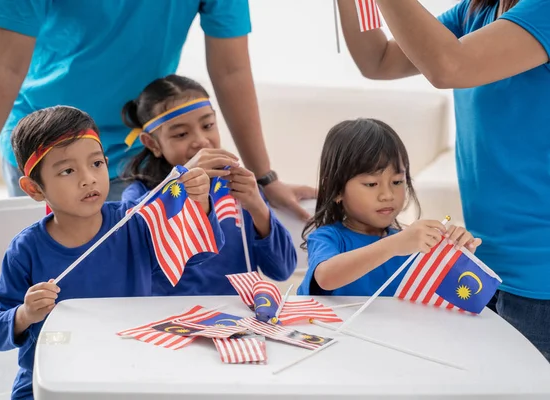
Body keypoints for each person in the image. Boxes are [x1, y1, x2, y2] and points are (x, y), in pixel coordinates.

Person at [0, 0, 315, 219]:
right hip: (45, 145)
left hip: (138, 150)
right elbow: (4, 71)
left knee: (132, 286)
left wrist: (264, 178)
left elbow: (231, 71)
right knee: (50, 282)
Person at [336, 0, 550, 361]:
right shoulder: (476, 11)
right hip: (487, 267)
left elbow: (449, 65)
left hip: (539, 281)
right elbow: (378, 60)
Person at [0, 106, 224, 400]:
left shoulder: (134, 221)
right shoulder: (26, 250)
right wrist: (24, 314)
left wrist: (199, 204)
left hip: (131, 372)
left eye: (96, 164)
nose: (88, 179)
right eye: (68, 171)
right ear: (34, 188)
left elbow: (196, 253)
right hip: (50, 381)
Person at [120, 74, 297, 295]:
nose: (201, 140)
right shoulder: (141, 194)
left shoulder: (238, 185)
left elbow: (283, 270)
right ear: (152, 144)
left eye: (208, 125)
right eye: (182, 134)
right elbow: (133, 254)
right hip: (169, 321)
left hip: (237, 319)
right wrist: (182, 184)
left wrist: (257, 207)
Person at [297, 119, 481, 296]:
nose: (388, 195)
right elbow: (326, 277)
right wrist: (395, 245)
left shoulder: (412, 243)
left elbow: (447, 296)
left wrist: (459, 257)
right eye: (371, 184)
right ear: (336, 189)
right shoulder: (328, 238)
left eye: (397, 181)